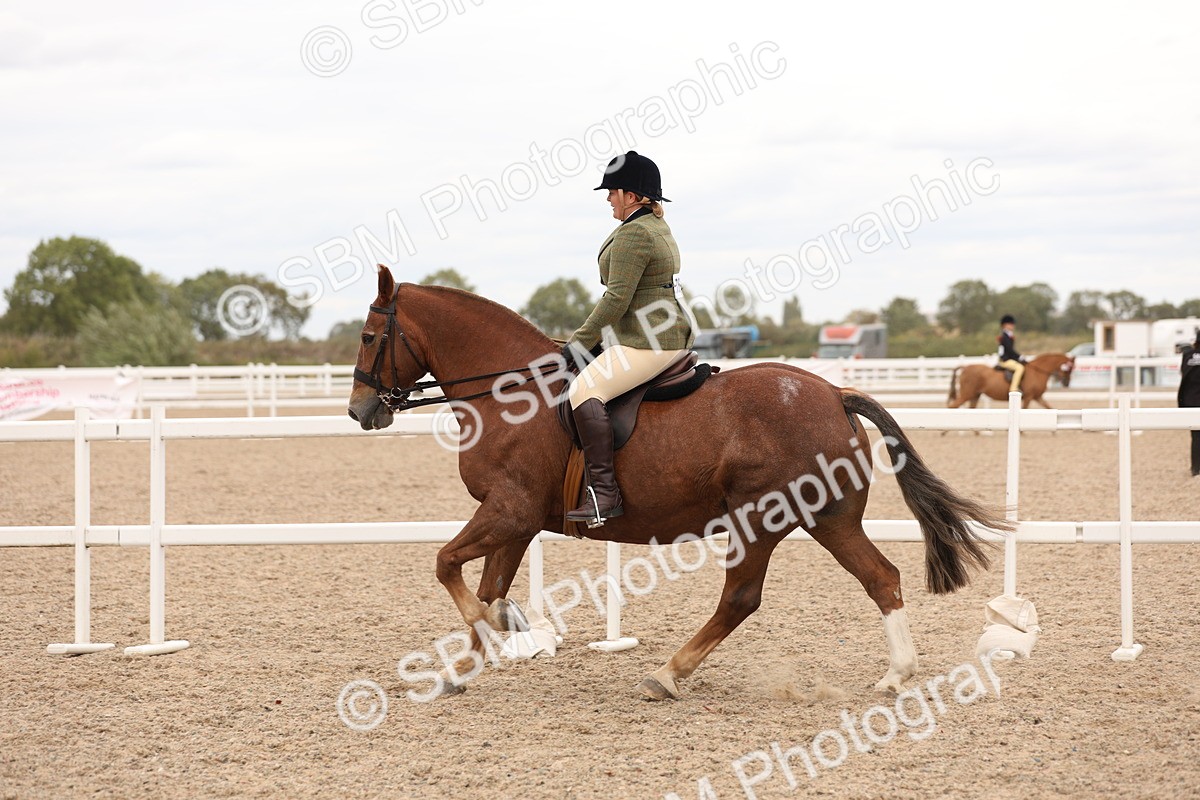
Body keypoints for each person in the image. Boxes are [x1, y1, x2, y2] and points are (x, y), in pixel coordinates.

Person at [561, 151, 695, 526]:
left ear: (631, 196)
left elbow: (616, 299)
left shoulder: (636, 233)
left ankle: (604, 494)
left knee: (583, 391)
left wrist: (578, 344)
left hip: (648, 341)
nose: (608, 198)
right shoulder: (653, 224)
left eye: (612, 192)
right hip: (658, 331)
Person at [1178, 329, 1200, 477]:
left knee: (1196, 436)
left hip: (1190, 400)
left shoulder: (1187, 356)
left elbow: (1183, 374)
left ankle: (1196, 468)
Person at [996, 314, 1027, 393]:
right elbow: (1009, 350)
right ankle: (1013, 388)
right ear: (1005, 325)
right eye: (1010, 324)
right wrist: (1019, 357)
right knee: (1020, 368)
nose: (1013, 325)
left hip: (1009, 359)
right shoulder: (1004, 336)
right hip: (1005, 360)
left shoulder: (1009, 335)